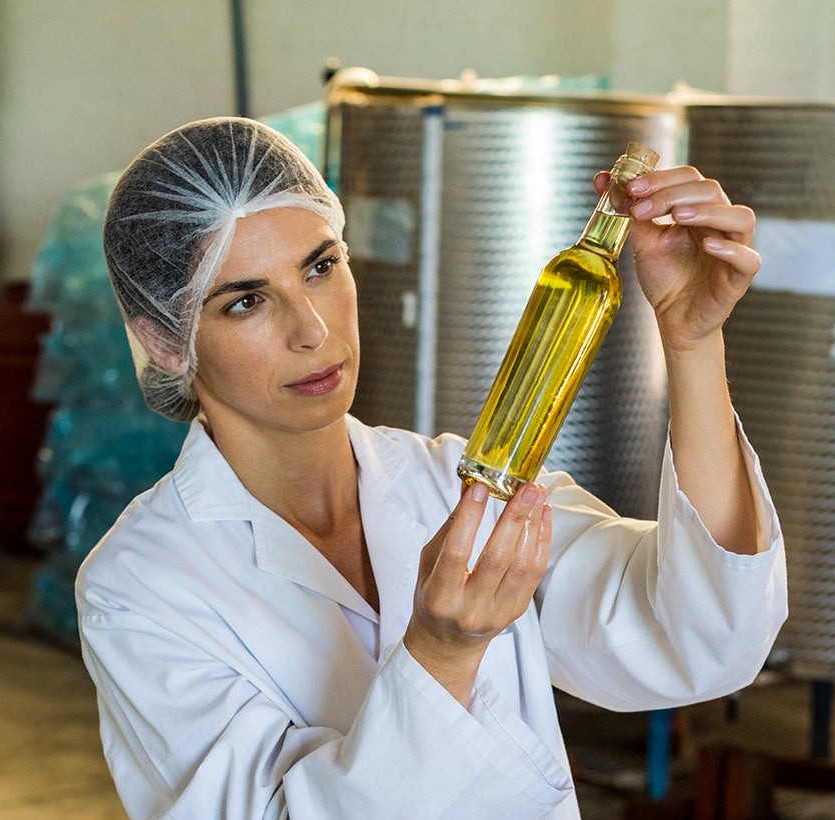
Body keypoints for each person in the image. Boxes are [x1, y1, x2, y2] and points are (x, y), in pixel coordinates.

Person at [77, 116, 787, 820]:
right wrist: (441, 656)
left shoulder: (454, 483)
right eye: (247, 301)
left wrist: (692, 343)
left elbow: (702, 638)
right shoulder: (141, 585)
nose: (313, 331)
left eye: (321, 268)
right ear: (166, 341)